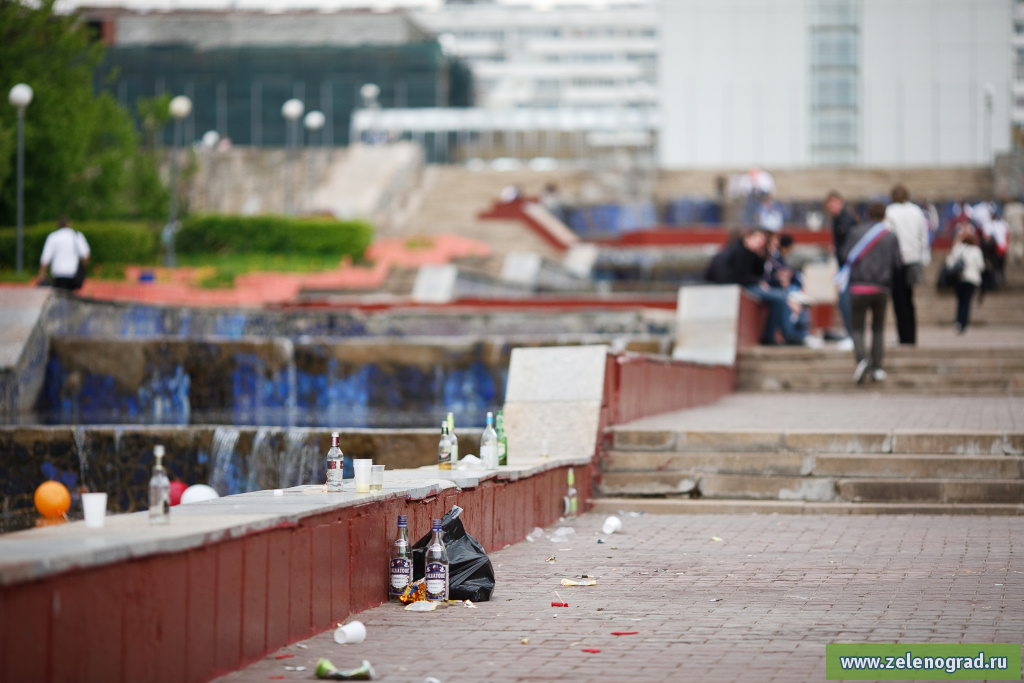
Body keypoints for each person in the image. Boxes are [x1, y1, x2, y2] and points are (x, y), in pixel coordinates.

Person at [837, 202, 903, 384]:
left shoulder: (855, 232)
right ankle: (877, 367)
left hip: (858, 287)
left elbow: (844, 255)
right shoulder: (890, 236)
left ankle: (862, 359)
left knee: (857, 327)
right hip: (881, 288)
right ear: (884, 215)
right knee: (878, 328)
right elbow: (898, 263)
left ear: (867, 214)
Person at [884, 184, 929, 345]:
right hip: (913, 258)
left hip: (896, 261)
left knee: (899, 300)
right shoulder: (916, 211)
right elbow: (923, 234)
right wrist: (922, 254)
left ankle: (903, 336)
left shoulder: (890, 211)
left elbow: (887, 235)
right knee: (909, 299)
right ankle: (911, 336)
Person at [825, 190, 858, 346]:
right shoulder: (838, 219)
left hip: (848, 267)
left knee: (845, 301)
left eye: (834, 202)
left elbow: (850, 243)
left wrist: (842, 255)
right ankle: (851, 333)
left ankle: (852, 335)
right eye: (829, 204)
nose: (831, 206)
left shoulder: (845, 219)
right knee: (844, 301)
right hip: (844, 266)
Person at [945, 224, 986, 334]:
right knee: (967, 302)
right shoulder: (977, 250)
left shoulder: (958, 248)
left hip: (960, 278)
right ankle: (964, 323)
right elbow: (981, 266)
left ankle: (958, 322)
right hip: (971, 279)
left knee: (960, 301)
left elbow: (949, 263)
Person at [38, 218, 90, 291]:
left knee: (59, 294)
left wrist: (42, 273)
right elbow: (86, 255)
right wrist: (82, 269)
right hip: (72, 273)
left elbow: (45, 257)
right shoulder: (76, 236)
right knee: (71, 295)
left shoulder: (53, 237)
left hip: (58, 273)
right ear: (69, 224)